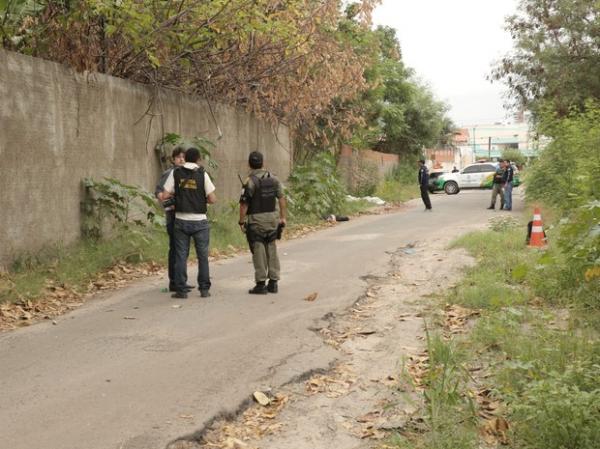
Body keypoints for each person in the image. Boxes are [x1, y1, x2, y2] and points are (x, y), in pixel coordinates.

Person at [158, 148, 217, 298]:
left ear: (186, 158)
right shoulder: (202, 174)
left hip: (181, 221)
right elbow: (212, 199)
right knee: (202, 257)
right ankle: (204, 289)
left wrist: (178, 194)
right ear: (198, 159)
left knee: (181, 256)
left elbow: (164, 195)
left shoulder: (175, 173)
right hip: (200, 222)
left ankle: (181, 290)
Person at [238, 151, 287, 294]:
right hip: (273, 219)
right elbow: (282, 199)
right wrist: (283, 217)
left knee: (259, 249)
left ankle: (260, 284)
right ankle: (273, 283)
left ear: (249, 164)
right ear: (263, 163)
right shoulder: (274, 179)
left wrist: (241, 221)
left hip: (257, 221)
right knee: (271, 247)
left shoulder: (250, 181)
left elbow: (243, 205)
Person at [155, 147, 194, 293]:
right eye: (178, 157)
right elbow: (158, 192)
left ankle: (180, 280)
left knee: (182, 249)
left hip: (185, 215)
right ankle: (175, 282)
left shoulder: (188, 174)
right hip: (173, 216)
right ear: (173, 159)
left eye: (183, 157)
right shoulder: (169, 173)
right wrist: (169, 199)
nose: (181, 159)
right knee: (176, 249)